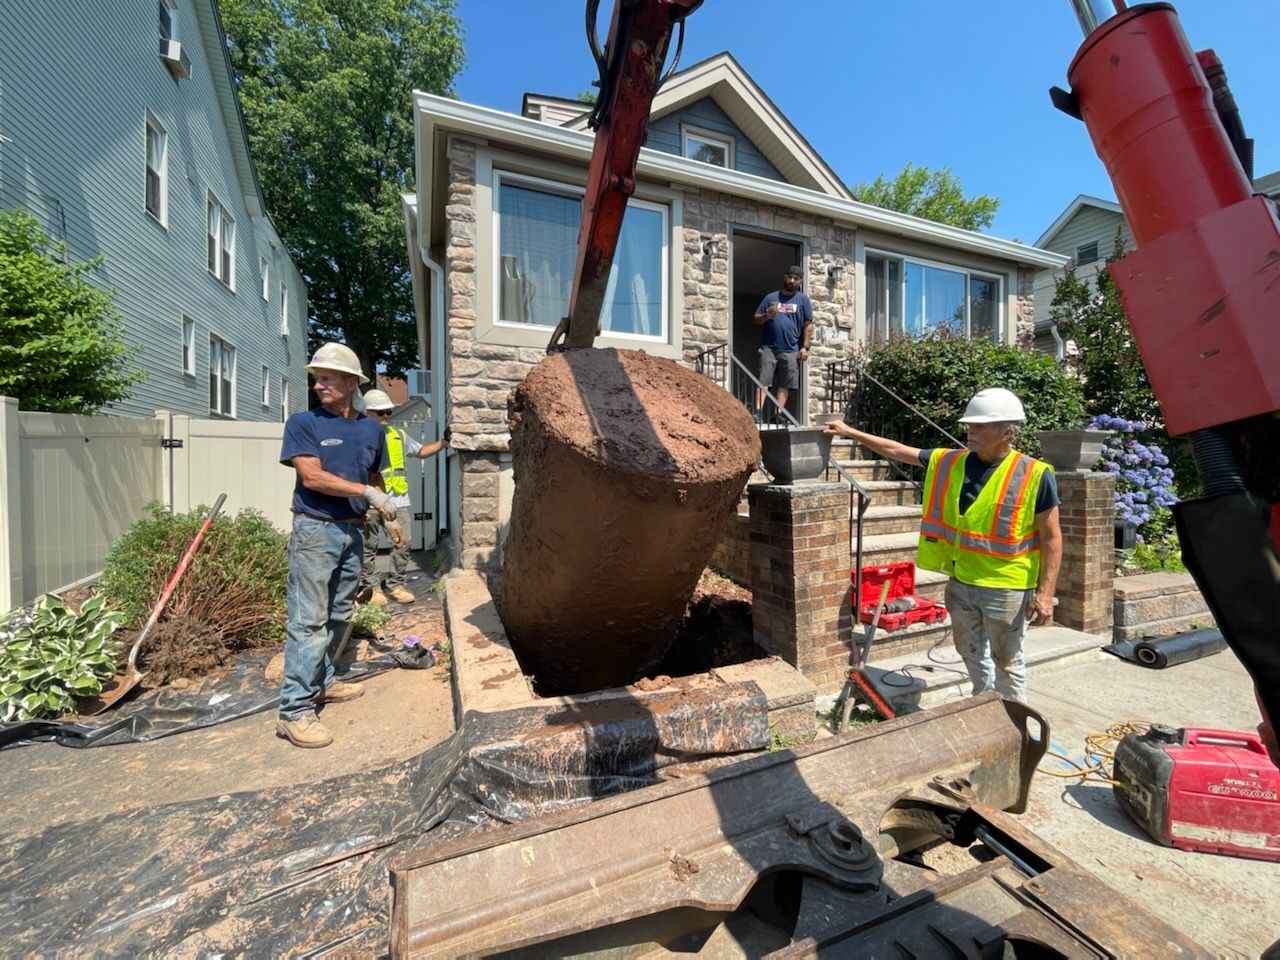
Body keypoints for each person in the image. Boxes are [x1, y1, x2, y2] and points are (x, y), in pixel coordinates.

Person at [825, 388, 1062, 703]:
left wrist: (1045, 594)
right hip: (961, 582)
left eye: (980, 426)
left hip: (1006, 587)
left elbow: (1052, 537)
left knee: (1008, 661)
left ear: (1007, 432)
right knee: (969, 650)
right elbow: (896, 451)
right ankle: (983, 702)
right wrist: (848, 431)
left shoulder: (1035, 474)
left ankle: (1014, 721)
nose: (970, 430)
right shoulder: (952, 462)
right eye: (970, 424)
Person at [276, 342, 406, 749]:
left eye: (328, 378)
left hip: (354, 529)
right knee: (307, 620)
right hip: (316, 530)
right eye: (317, 379)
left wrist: (389, 515)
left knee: (339, 613)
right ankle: (294, 711)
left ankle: (324, 680)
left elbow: (373, 476)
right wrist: (369, 493)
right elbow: (312, 478)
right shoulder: (304, 424)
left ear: (352, 383)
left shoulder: (372, 429)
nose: (319, 385)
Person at [357, 389, 449, 606]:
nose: (385, 416)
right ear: (365, 412)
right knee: (368, 547)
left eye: (388, 412)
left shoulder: (398, 436)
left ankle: (396, 584)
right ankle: (372, 589)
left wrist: (445, 442)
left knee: (403, 543)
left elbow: (422, 451)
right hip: (369, 503)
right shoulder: (358, 438)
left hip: (397, 501)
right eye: (380, 413)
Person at [752, 265, 813, 422]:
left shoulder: (803, 300)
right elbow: (756, 319)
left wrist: (805, 347)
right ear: (785, 277)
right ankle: (757, 413)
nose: (792, 281)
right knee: (764, 380)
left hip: (791, 349)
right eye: (790, 277)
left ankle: (777, 414)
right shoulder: (771, 298)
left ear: (801, 281)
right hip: (769, 348)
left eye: (796, 279)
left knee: (785, 383)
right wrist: (766, 316)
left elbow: (808, 325)